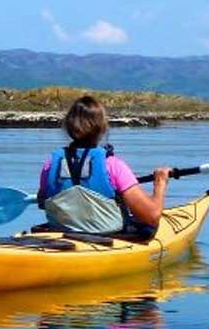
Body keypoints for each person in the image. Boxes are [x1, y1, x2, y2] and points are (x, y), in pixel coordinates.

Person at [38, 95, 171, 235]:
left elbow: (43, 203)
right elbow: (152, 216)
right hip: (107, 236)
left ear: (69, 126)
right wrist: (160, 182)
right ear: (102, 128)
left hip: (62, 233)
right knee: (147, 227)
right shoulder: (113, 166)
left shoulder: (50, 164)